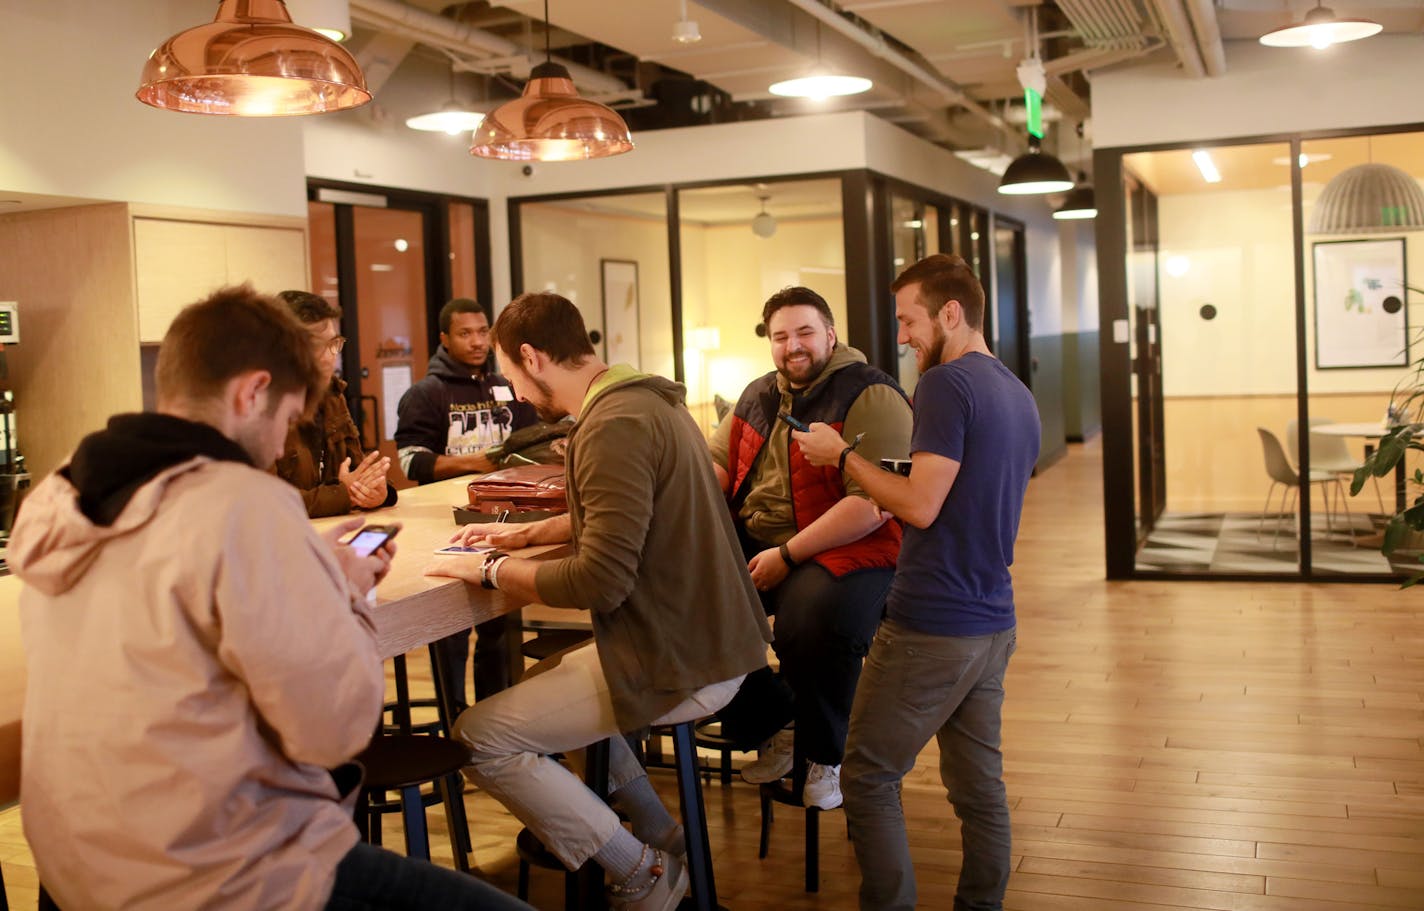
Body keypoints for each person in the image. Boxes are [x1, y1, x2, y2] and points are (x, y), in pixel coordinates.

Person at [8, 285, 529, 911]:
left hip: (85, 861)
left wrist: (308, 575)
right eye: (285, 419)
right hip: (225, 872)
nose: (284, 445)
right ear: (251, 392)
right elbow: (334, 730)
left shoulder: (65, 494)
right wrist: (346, 595)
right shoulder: (242, 506)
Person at [427, 292, 772, 911]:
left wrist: (491, 569)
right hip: (716, 639)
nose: (515, 390)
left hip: (683, 658)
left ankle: (641, 870)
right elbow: (624, 514)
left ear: (531, 356)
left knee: (477, 738)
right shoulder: (648, 400)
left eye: (510, 374)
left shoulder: (611, 425)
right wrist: (525, 535)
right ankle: (663, 832)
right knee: (545, 676)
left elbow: (598, 582)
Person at [793, 254, 1039, 911]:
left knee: (869, 775)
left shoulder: (945, 385)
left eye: (910, 320)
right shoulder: (1016, 392)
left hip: (932, 621)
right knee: (978, 786)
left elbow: (921, 505)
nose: (902, 336)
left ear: (950, 314)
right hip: (992, 620)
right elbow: (967, 493)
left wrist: (842, 456)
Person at [707, 286, 911, 810]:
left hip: (848, 543)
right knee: (683, 594)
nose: (792, 345)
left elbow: (873, 505)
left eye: (804, 332)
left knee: (811, 622)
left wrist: (787, 557)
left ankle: (827, 753)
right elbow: (715, 465)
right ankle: (776, 721)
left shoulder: (871, 392)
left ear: (830, 335)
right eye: (780, 336)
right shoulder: (756, 395)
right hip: (761, 539)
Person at [395, 297, 537, 711]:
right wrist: (482, 462)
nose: (477, 342)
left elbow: (532, 441)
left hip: (503, 522)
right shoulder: (425, 393)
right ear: (444, 338)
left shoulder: (506, 385)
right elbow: (409, 460)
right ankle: (454, 720)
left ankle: (495, 725)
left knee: (499, 632)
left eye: (482, 332)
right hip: (446, 528)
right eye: (465, 333)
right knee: (451, 635)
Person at [273, 289, 397, 517]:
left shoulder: (331, 393)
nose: (330, 356)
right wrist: (343, 495)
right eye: (316, 345)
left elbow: (356, 472)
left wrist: (375, 493)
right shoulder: (255, 408)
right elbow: (265, 505)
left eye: (334, 343)